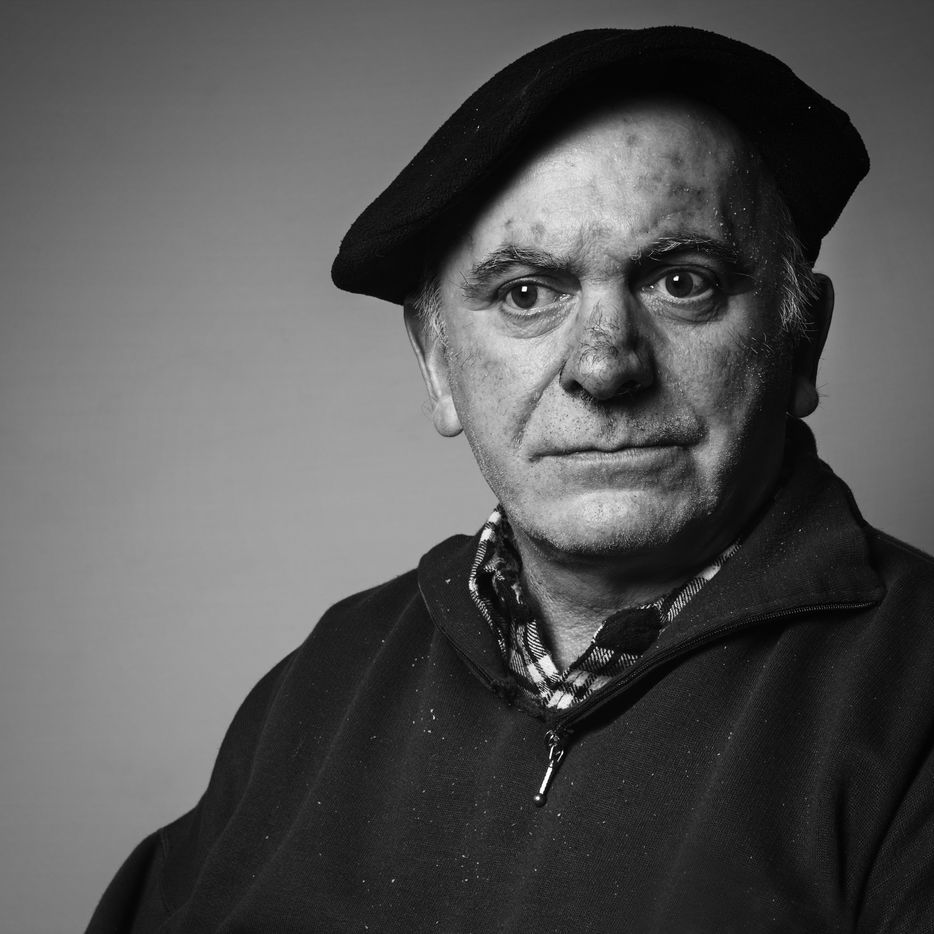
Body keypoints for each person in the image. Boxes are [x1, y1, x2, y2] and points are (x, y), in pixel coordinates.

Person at [86, 26, 934, 933]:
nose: (604, 365)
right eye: (527, 293)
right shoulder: (326, 679)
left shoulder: (913, 694)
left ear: (801, 345)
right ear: (438, 366)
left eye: (682, 282)